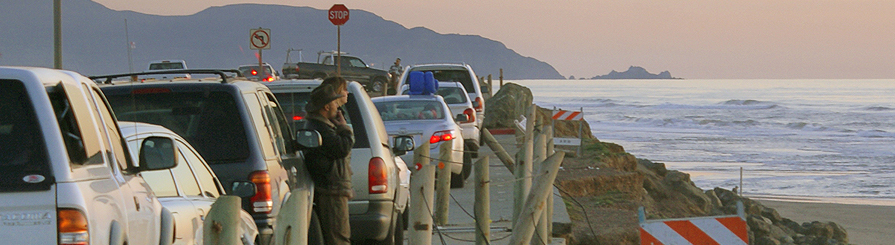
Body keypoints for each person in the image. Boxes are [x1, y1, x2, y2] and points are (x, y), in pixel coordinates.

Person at [303, 83, 354, 245]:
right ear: (326, 107)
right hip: (331, 190)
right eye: (334, 102)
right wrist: (344, 128)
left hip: (331, 189)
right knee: (338, 237)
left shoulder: (320, 126)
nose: (337, 106)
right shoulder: (322, 129)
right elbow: (342, 147)